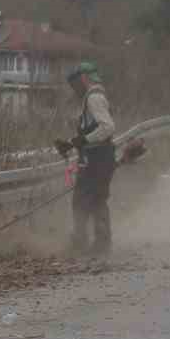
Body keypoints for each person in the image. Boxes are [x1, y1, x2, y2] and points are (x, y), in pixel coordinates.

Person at [54, 60, 116, 256]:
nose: (74, 89)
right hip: (99, 156)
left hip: (97, 158)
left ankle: (83, 243)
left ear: (83, 79)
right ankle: (101, 243)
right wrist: (73, 143)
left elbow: (107, 127)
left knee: (82, 200)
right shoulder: (96, 95)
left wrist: (83, 140)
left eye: (74, 84)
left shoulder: (93, 97)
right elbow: (91, 132)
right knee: (97, 199)